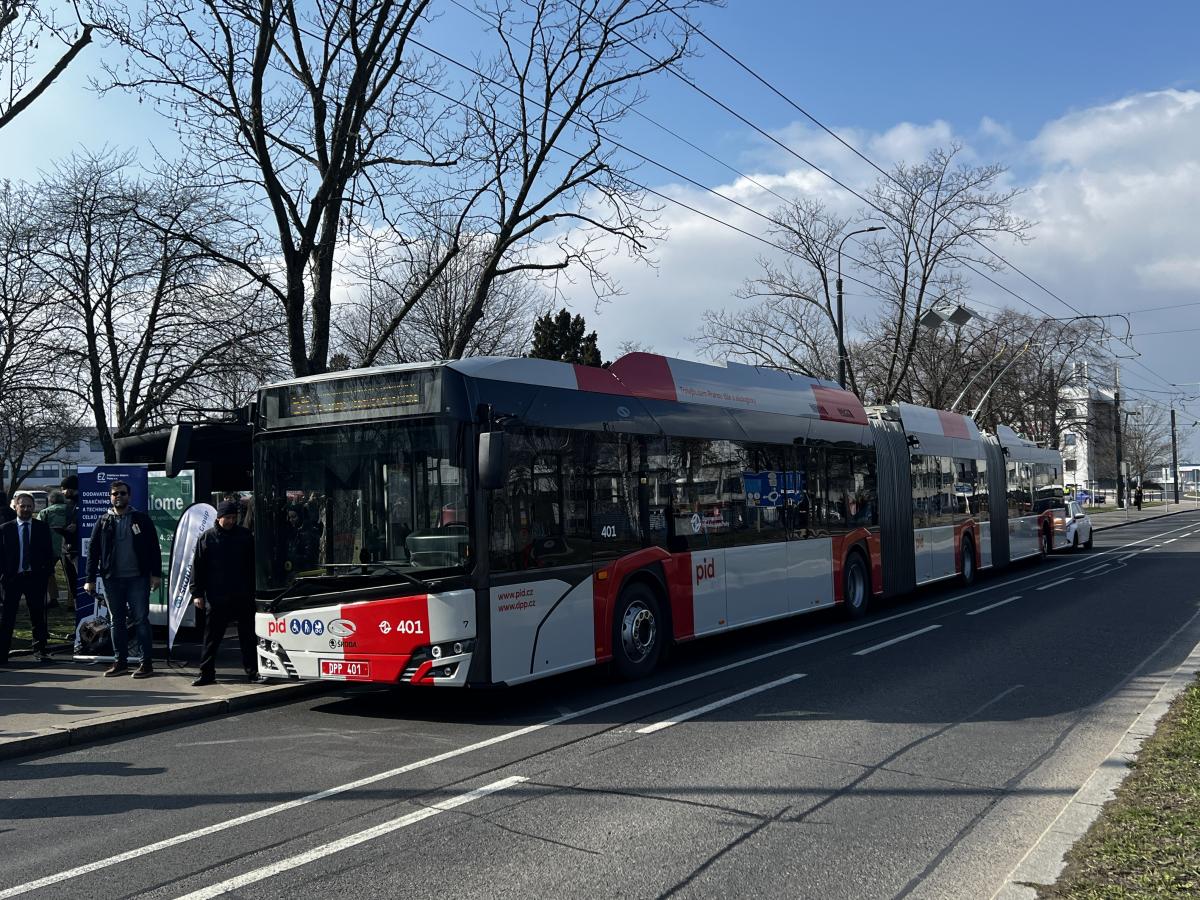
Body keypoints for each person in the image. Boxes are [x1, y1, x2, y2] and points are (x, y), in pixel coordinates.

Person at [83, 480, 161, 678]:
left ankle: (146, 664)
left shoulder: (141, 519)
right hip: (112, 580)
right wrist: (90, 578)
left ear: (129, 496)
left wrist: (156, 575)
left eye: (123, 493)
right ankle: (121, 663)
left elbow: (153, 548)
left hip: (138, 578)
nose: (119, 497)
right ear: (110, 497)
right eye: (115, 494)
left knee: (141, 620)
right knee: (115, 621)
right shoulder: (103, 521)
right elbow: (93, 551)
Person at [190, 499, 260, 686]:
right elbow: (198, 568)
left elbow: (253, 566)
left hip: (243, 594)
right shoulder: (207, 537)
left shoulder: (245, 536)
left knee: (247, 637)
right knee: (212, 638)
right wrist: (197, 593)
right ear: (219, 517)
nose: (231, 521)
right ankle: (206, 673)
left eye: (233, 517)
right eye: (227, 518)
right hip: (217, 596)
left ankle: (252, 671)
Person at [0, 492, 56, 664]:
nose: (25, 509)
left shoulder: (42, 527)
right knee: (7, 617)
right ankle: (2, 652)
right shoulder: (5, 529)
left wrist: (46, 574)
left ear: (34, 508)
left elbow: (48, 553)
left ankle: (40, 650)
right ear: (15, 507)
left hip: (35, 578)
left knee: (38, 616)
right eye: (22, 506)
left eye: (29, 506)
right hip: (12, 579)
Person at [38, 489, 69, 608]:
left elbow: (39, 529)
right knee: (70, 575)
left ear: (50, 500)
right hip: (67, 547)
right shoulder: (70, 511)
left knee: (49, 573)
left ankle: (54, 598)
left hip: (50, 548)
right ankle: (71, 600)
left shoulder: (45, 512)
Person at [58, 475, 81, 604]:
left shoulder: (83, 502)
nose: (62, 492)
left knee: (79, 581)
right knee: (71, 583)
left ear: (71, 489)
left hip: (77, 550)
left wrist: (76, 527)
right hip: (66, 549)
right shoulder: (69, 504)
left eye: (64, 489)